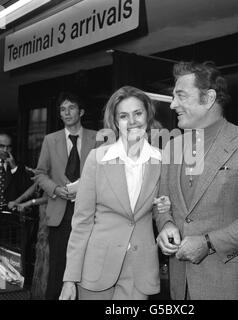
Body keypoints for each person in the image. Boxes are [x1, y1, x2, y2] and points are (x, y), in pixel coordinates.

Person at [155, 61, 238, 300]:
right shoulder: (172, 147)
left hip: (228, 286)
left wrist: (208, 243)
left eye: (181, 96)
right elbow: (163, 202)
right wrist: (166, 224)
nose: (172, 105)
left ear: (209, 97)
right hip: (180, 287)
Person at [60, 86, 163, 300]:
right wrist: (70, 278)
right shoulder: (97, 158)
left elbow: (163, 211)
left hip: (139, 270)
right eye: (124, 116)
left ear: (148, 115)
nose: (132, 121)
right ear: (115, 122)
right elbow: (82, 221)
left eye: (138, 113)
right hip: (97, 268)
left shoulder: (162, 160)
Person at [35, 92, 97, 300]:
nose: (67, 112)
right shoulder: (50, 140)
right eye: (63, 109)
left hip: (89, 211)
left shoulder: (97, 137)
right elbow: (40, 174)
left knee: (88, 265)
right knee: (58, 268)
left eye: (71, 108)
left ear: (81, 112)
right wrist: (54, 189)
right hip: (60, 211)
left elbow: (104, 172)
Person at [8, 181, 49, 300]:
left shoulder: (54, 172)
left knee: (46, 256)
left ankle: (44, 293)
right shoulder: (42, 175)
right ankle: (37, 291)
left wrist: (28, 203)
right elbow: (33, 187)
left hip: (51, 219)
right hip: (42, 218)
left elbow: (50, 197)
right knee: (39, 253)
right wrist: (17, 201)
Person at [0, 132, 32, 208]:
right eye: (1, 146)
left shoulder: (19, 166)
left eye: (9, 147)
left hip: (10, 214)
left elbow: (25, 191)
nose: (5, 150)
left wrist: (14, 168)